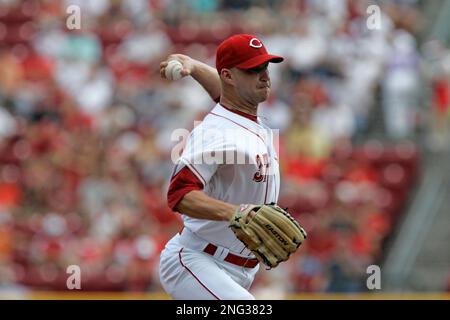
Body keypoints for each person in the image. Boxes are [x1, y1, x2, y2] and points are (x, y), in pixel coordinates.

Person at [159, 34, 285, 300]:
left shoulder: (245, 116)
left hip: (236, 269)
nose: (264, 76)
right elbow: (179, 194)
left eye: (265, 67)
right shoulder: (214, 132)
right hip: (196, 261)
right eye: (253, 70)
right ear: (229, 75)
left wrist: (193, 67)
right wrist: (236, 213)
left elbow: (225, 93)